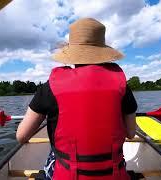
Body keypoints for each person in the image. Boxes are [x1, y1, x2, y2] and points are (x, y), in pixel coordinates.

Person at [16, 18, 137, 180]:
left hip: (67, 175)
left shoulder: (49, 87)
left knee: (53, 156)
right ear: (103, 51)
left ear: (72, 52)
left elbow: (22, 136)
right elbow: (130, 133)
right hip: (114, 175)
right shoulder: (122, 85)